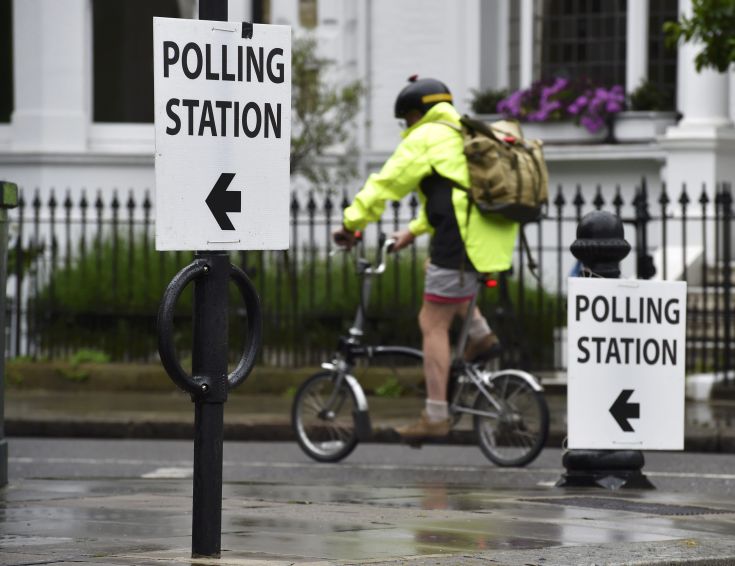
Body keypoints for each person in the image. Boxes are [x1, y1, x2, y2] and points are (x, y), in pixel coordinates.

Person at [332, 76, 518, 441]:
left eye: (408, 118)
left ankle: (435, 414)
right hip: (487, 238)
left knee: (432, 321)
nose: (408, 126)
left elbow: (387, 183)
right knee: (438, 274)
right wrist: (412, 232)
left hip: (460, 240)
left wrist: (351, 223)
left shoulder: (427, 136)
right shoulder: (460, 132)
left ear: (418, 112)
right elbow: (453, 195)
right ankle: (481, 336)